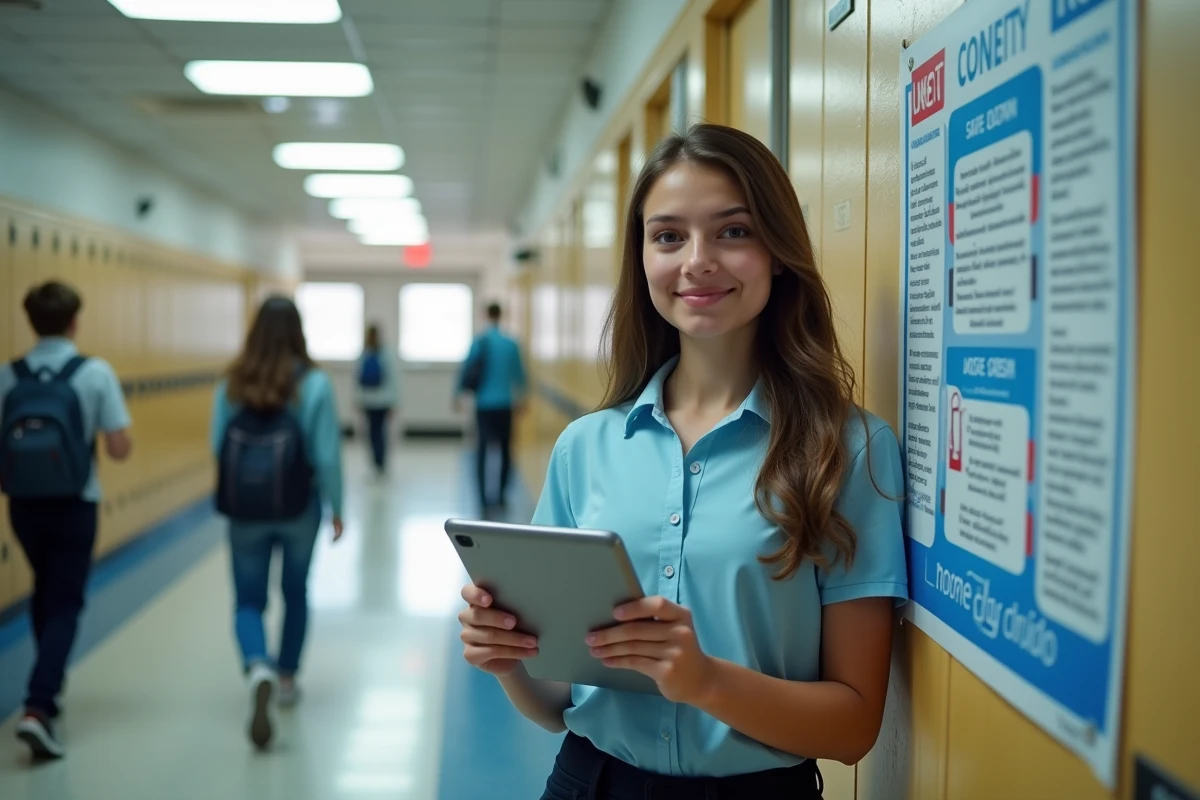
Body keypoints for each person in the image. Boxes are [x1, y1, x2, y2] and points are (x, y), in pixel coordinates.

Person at [456, 124, 908, 799]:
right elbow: (556, 706)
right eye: (668, 236)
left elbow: (853, 727)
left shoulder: (847, 451)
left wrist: (706, 681)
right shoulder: (586, 447)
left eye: (733, 232)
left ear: (779, 253)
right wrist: (508, 660)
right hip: (588, 782)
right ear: (642, 258)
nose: (697, 261)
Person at [0, 281, 133, 761]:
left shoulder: (8, 375)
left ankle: (47, 690)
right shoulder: (95, 373)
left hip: (23, 504)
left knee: (45, 589)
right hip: (76, 503)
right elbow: (119, 448)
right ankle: (39, 705)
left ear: (31, 322)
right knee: (66, 600)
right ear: (74, 322)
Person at [210, 295, 344, 750]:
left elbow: (217, 445)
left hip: (245, 511)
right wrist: (337, 507)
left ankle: (257, 664)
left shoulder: (233, 382)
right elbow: (326, 454)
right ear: (298, 332)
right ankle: (286, 678)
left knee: (248, 600)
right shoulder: (315, 384)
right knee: (295, 592)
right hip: (298, 507)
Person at [454, 302, 527, 511]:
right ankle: (501, 496)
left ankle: (483, 498)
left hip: (484, 406)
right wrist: (522, 399)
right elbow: (520, 376)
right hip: (505, 405)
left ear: (486, 315)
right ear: (501, 315)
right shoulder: (510, 344)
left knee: (482, 451)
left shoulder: (479, 342)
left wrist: (457, 395)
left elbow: (466, 370)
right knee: (505, 450)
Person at [355, 323, 398, 476]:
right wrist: (394, 401)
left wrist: (357, 399)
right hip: (381, 401)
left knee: (374, 433)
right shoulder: (383, 354)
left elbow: (357, 379)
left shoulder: (366, 354)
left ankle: (377, 462)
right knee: (379, 433)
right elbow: (392, 379)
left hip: (370, 401)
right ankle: (379, 462)